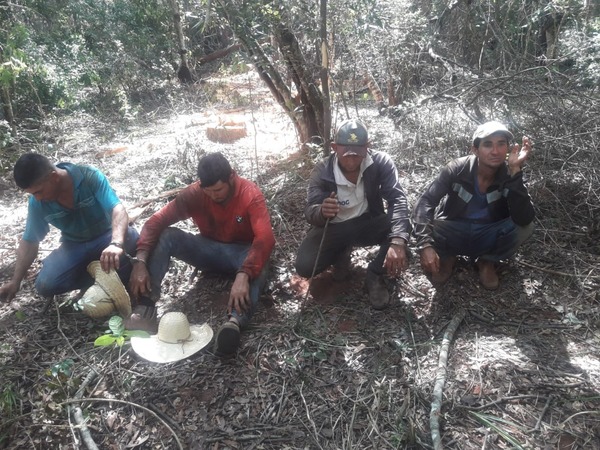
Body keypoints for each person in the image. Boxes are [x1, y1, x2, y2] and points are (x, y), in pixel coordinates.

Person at [128, 152, 275, 355]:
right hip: (208, 249)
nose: (214, 195)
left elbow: (265, 238)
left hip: (242, 254)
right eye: (208, 191)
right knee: (168, 235)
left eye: (218, 189)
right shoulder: (195, 194)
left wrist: (244, 274)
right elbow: (156, 222)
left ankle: (234, 322)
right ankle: (146, 307)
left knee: (262, 259)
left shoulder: (250, 194)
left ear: (232, 177)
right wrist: (140, 261)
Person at [294, 119, 411, 309]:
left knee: (403, 226)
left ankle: (374, 274)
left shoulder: (380, 163)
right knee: (305, 266)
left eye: (357, 154)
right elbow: (310, 211)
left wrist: (398, 241)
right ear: (334, 147)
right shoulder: (322, 171)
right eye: (346, 154)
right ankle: (341, 253)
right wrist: (322, 211)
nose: (351, 160)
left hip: (368, 222)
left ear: (367, 147)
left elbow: (397, 199)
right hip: (334, 228)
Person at [0, 153, 139, 303]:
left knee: (132, 239)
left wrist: (116, 243)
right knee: (45, 285)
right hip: (74, 245)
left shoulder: (88, 176)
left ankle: (116, 275)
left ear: (54, 177)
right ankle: (98, 280)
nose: (37, 198)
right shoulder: (37, 203)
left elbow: (117, 209)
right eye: (33, 194)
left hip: (106, 236)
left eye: (39, 191)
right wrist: (15, 282)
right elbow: (29, 242)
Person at [412, 121, 534, 290]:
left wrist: (515, 171)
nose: (495, 151)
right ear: (475, 149)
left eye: (501, 144)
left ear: (507, 148)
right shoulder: (457, 169)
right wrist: (425, 245)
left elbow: (524, 218)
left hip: (488, 232)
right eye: (488, 145)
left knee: (525, 227)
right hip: (454, 228)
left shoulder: (510, 174)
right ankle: (447, 257)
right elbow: (426, 201)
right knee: (429, 220)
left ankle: (486, 261)